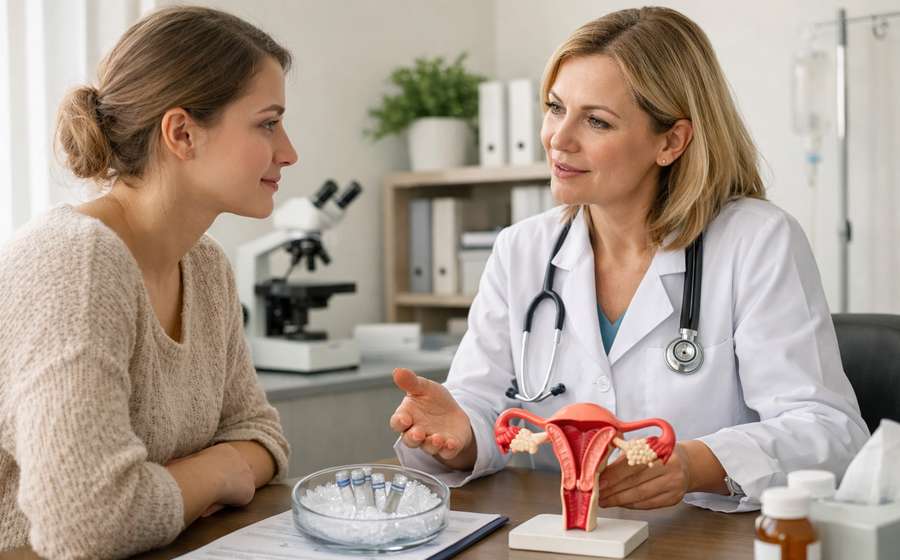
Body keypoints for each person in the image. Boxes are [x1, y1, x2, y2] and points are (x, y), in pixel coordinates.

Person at [390, 6, 868, 513]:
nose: (559, 138)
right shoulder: (522, 250)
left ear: (670, 140)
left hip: (702, 541)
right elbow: (485, 407)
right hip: (567, 537)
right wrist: (458, 431)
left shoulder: (756, 240)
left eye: (596, 120)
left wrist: (695, 464)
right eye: (556, 108)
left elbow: (829, 430)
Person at [0, 6, 298, 557]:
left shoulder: (204, 266)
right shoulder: (76, 264)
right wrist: (220, 470)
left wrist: (171, 483)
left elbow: (263, 436)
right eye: (267, 122)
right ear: (182, 132)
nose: (289, 152)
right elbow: (88, 522)